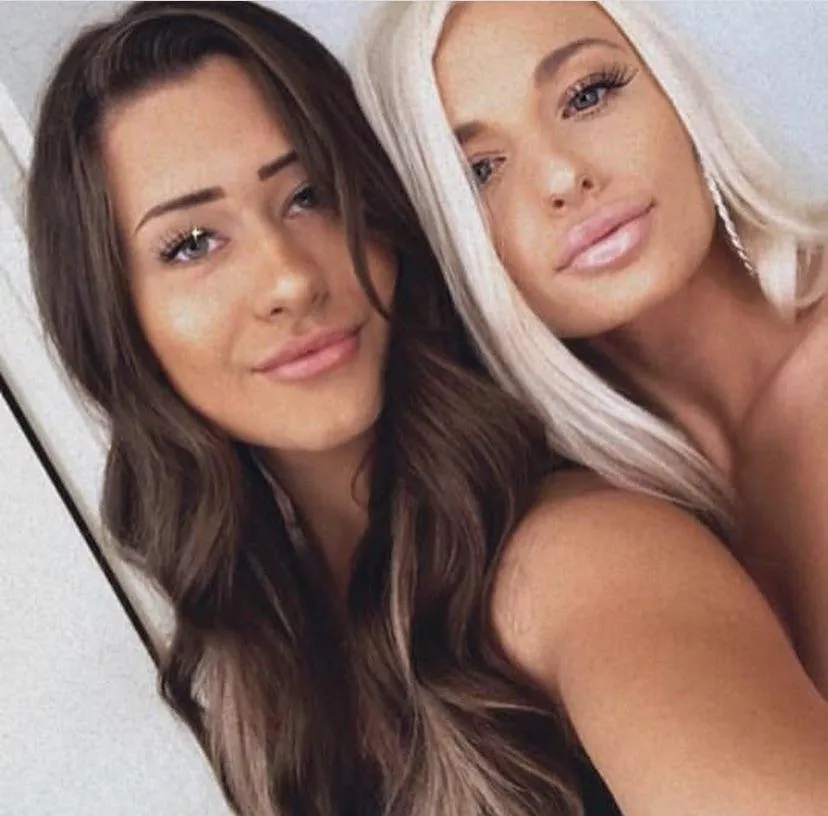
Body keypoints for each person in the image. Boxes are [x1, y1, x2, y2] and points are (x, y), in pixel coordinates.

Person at [26, 2, 828, 815]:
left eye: (310, 195)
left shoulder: (577, 556)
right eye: (192, 244)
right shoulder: (258, 661)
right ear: (112, 320)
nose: (289, 279)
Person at [351, 0, 828, 692]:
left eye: (588, 95)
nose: (561, 177)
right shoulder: (574, 527)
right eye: (479, 171)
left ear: (675, 92)